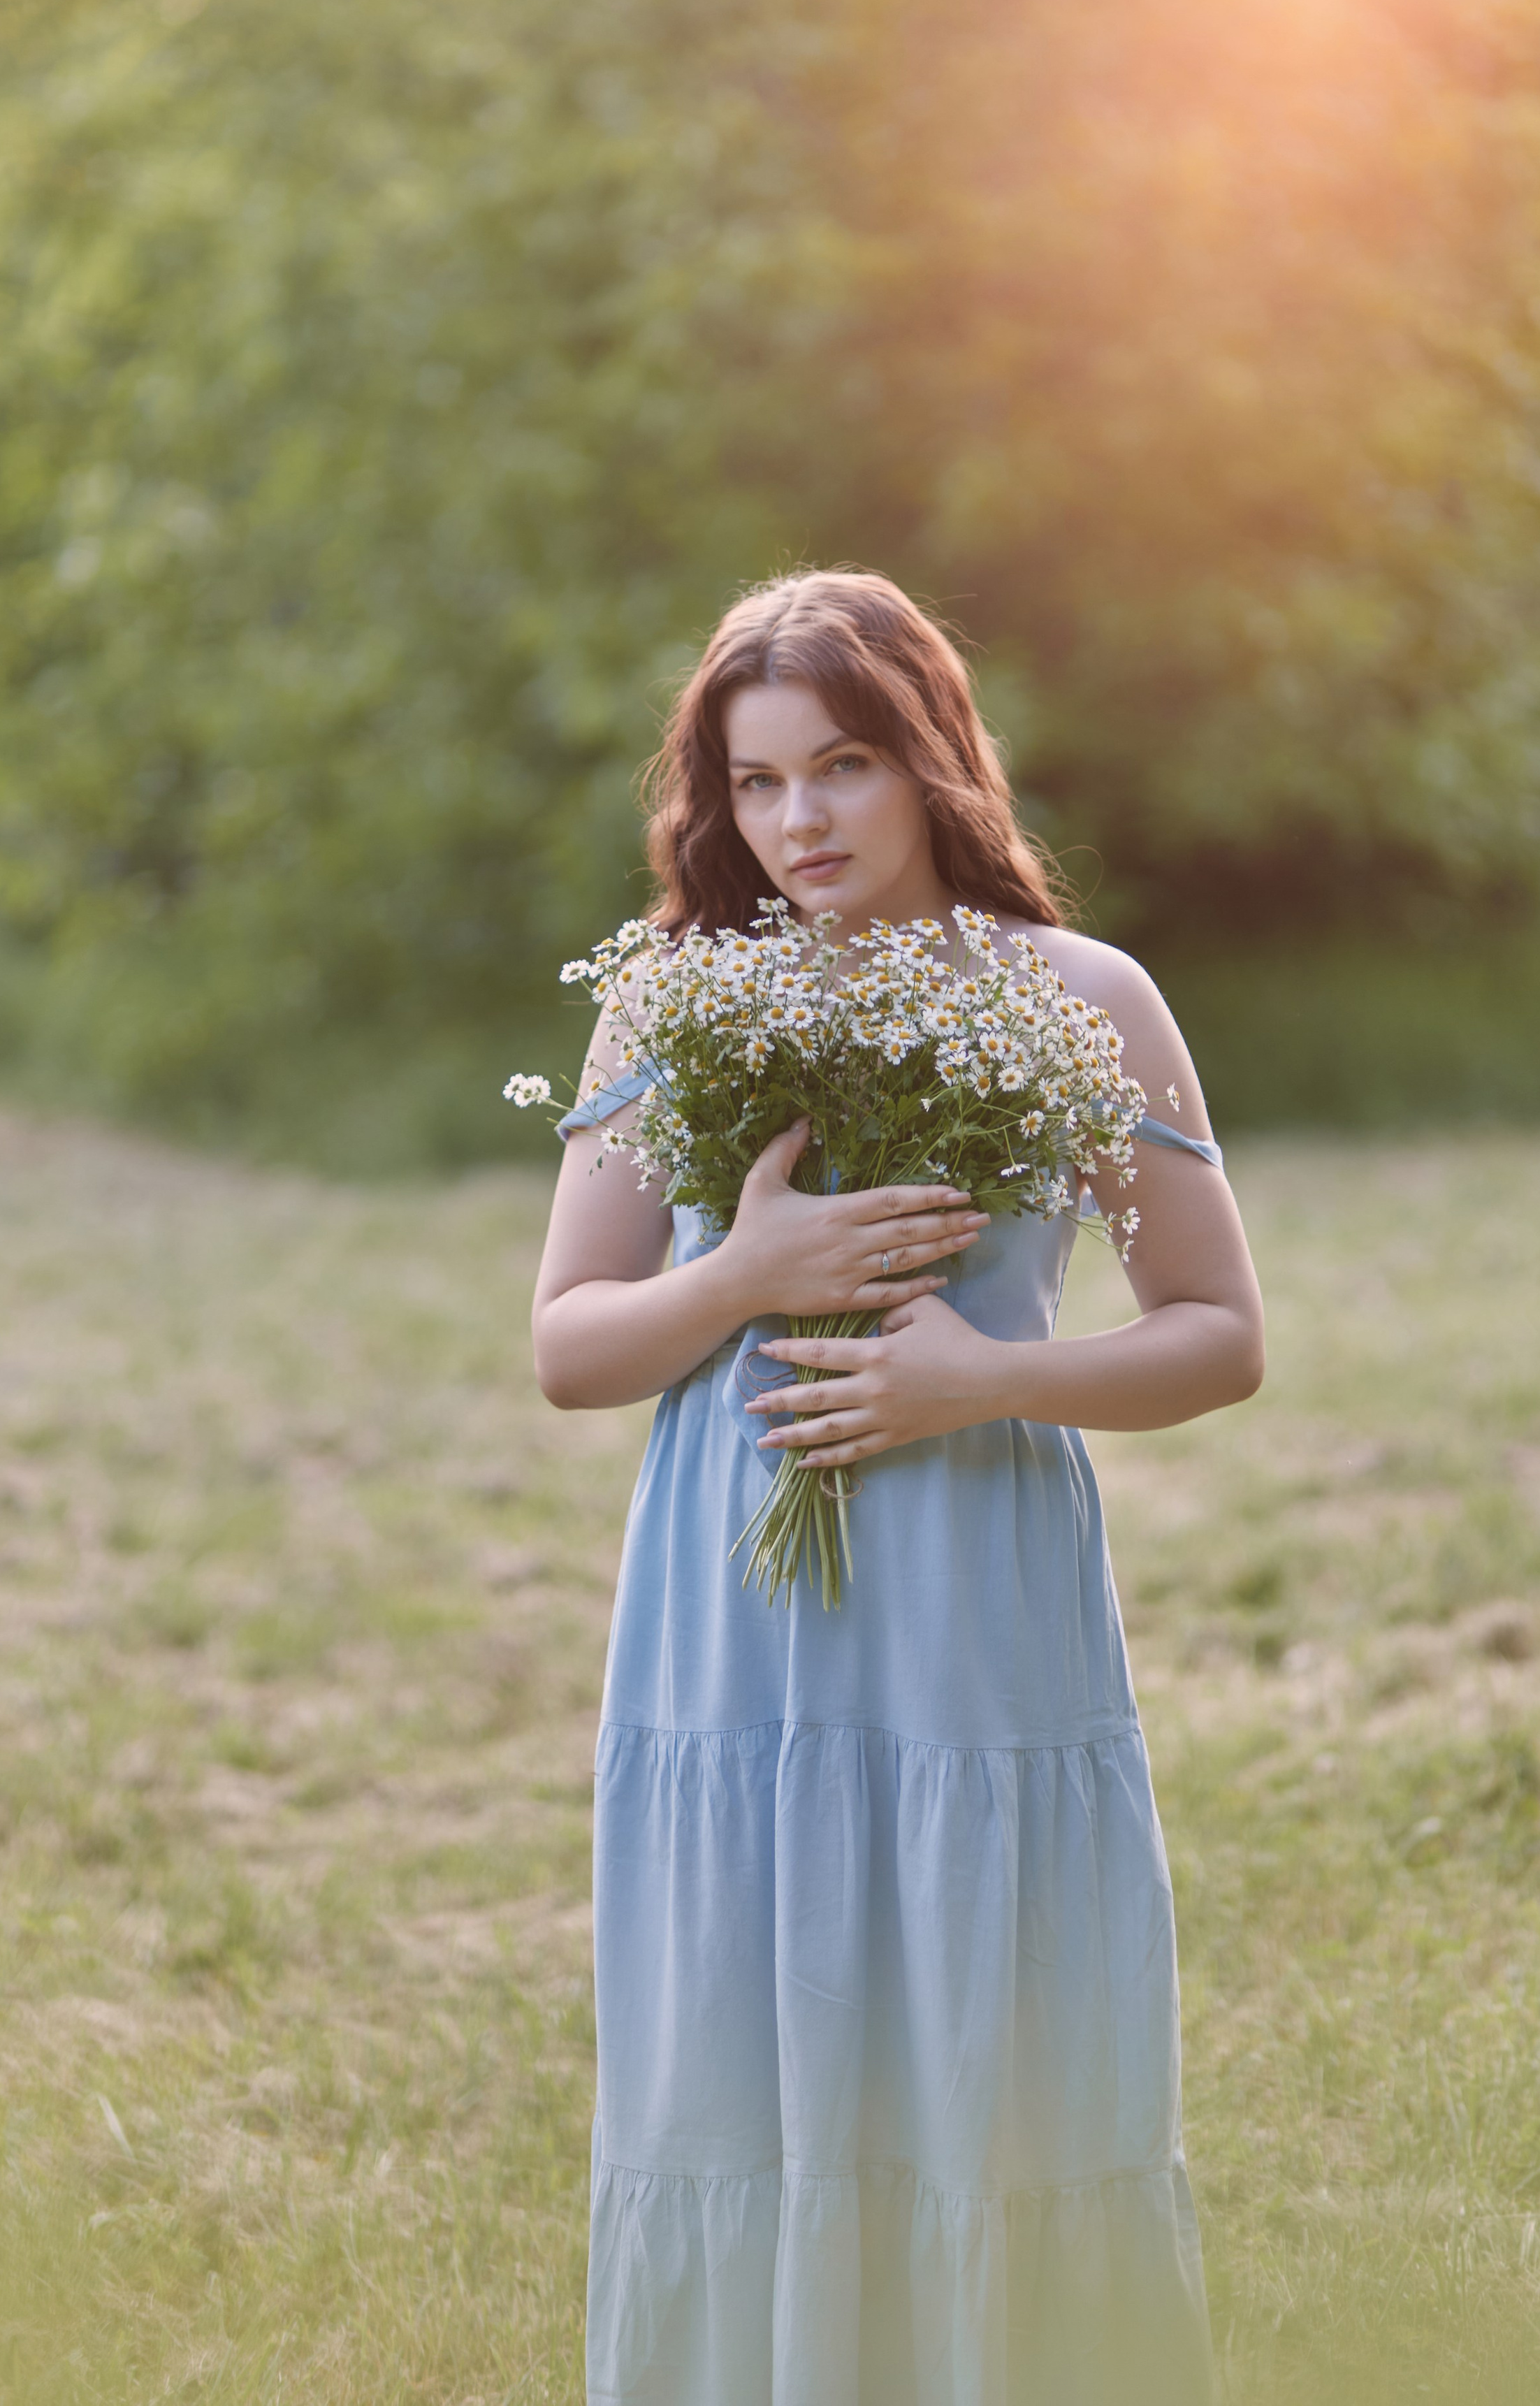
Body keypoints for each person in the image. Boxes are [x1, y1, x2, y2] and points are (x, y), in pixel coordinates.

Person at [529, 570, 1265, 2406]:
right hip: (735, 1616)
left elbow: (1217, 1331)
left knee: (984, 2049)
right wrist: (738, 1280)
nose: (798, 824)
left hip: (973, 1603)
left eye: (843, 768)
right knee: (741, 2061)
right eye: (758, 783)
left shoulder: (1081, 998)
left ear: (935, 759)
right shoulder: (675, 1007)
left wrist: (985, 1381)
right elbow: (568, 1346)